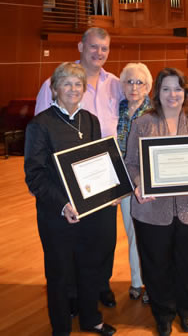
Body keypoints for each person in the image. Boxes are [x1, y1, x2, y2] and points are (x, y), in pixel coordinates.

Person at [125, 67, 188, 336]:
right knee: (156, 264)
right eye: (166, 89)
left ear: (185, 91)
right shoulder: (143, 122)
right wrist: (139, 183)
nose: (172, 94)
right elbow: (131, 162)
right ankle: (163, 313)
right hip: (153, 210)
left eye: (177, 88)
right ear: (157, 92)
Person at [24, 62, 116, 336]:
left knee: (90, 267)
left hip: (90, 210)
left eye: (78, 84)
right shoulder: (40, 125)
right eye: (66, 83)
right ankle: (61, 328)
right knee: (60, 273)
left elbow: (95, 162)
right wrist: (63, 204)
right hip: (57, 214)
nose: (73, 89)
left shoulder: (90, 120)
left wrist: (109, 191)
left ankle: (90, 318)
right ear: (55, 89)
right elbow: (35, 175)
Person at [35, 27, 122, 308]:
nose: (99, 53)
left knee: (103, 237)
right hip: (64, 181)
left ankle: (99, 286)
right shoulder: (55, 82)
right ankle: (71, 293)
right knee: (71, 241)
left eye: (104, 48)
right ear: (81, 46)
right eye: (94, 46)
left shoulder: (116, 83)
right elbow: (41, 133)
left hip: (102, 173)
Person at [117, 62, 152, 302]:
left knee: (148, 235)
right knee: (131, 233)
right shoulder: (117, 108)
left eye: (139, 82)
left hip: (145, 181)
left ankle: (152, 282)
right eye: (129, 81)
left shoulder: (154, 112)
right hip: (119, 181)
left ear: (148, 87)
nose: (134, 87)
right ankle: (137, 281)